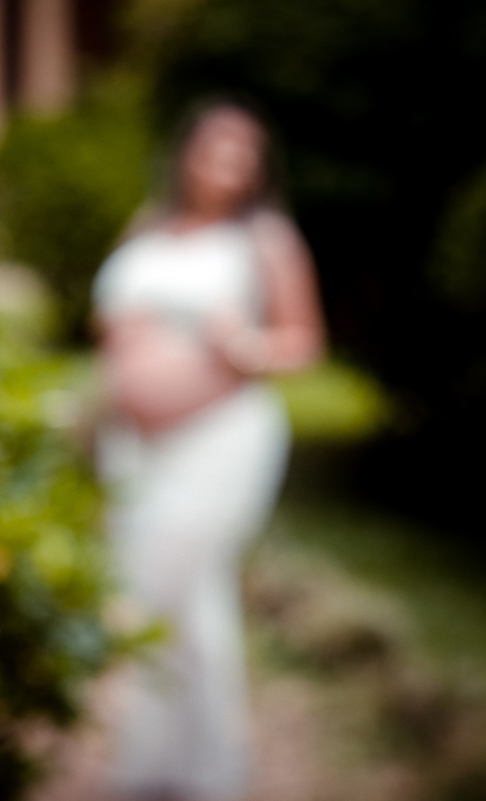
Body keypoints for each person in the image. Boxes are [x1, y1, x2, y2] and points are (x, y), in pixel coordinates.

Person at [93, 101, 325, 800]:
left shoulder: (266, 239)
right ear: (186, 153)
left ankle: (204, 768)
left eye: (244, 152)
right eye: (216, 147)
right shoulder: (147, 225)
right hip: (134, 447)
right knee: (170, 596)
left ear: (258, 167)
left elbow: (303, 343)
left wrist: (244, 348)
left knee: (180, 587)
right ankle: (167, 760)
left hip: (221, 440)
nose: (229, 164)